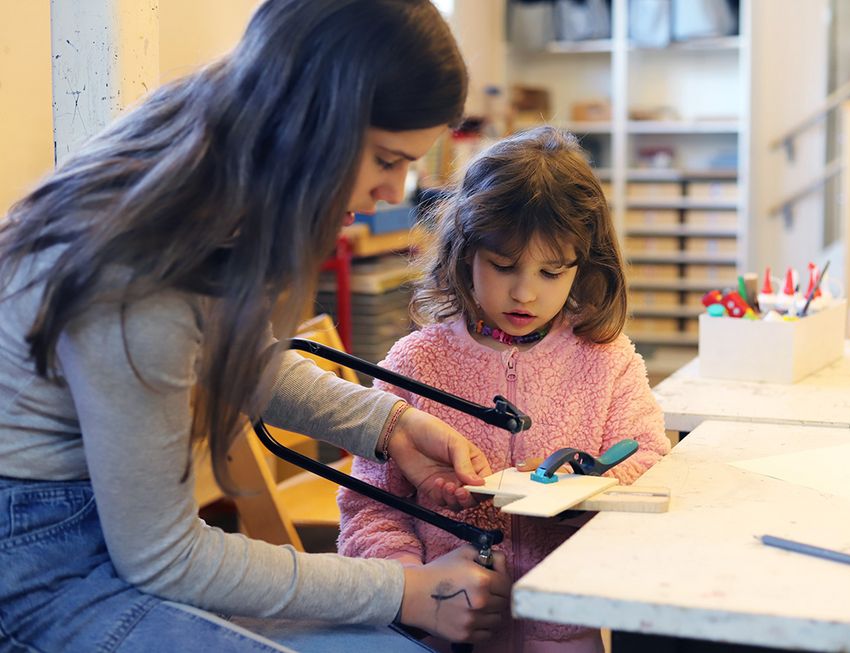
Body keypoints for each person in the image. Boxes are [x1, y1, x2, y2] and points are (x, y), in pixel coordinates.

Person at [0, 1, 511, 651]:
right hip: (37, 565)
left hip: (103, 533)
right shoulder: (139, 273)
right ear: (313, 121)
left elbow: (237, 352)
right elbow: (165, 558)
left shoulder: (206, 167)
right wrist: (409, 590)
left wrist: (390, 425)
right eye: (386, 159)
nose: (394, 191)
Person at [338, 126, 672, 653]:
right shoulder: (414, 363)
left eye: (551, 272)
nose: (525, 292)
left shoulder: (607, 360)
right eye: (503, 266)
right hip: (445, 633)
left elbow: (649, 459)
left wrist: (584, 491)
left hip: (566, 629)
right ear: (465, 251)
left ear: (583, 267)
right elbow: (369, 508)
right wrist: (413, 583)